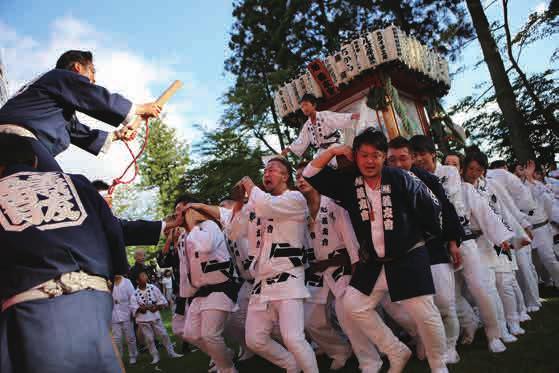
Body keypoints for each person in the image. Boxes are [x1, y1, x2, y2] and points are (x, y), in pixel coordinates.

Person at [303, 129, 448, 373]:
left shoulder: (401, 177)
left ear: (384, 157)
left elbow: (432, 208)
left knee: (424, 314)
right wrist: (335, 150)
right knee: (354, 305)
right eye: (364, 155)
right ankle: (396, 351)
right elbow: (310, 173)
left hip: (408, 255)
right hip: (374, 261)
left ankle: (438, 364)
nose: (370, 161)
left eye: (376, 155)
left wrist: (425, 237)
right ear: (355, 157)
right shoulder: (349, 183)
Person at [0, 133, 129, 372]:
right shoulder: (78, 183)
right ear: (35, 161)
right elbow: (113, 232)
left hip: (33, 314)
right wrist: (118, 272)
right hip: (95, 302)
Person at [0, 50, 161, 171]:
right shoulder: (59, 76)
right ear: (77, 67)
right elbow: (95, 96)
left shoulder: (53, 102)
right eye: (92, 71)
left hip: (18, 143)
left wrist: (118, 134)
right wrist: (140, 108)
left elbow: (75, 131)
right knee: (60, 193)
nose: (94, 79)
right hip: (16, 141)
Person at [295, 161, 381, 372]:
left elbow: (350, 239)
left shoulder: (333, 204)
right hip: (318, 271)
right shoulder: (300, 211)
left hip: (342, 266)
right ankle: (340, 350)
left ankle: (370, 360)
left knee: (347, 315)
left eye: (304, 176)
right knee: (311, 319)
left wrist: (356, 266)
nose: (300, 180)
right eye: (297, 178)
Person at [239, 157, 319, 373]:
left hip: (288, 277)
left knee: (293, 338)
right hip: (262, 281)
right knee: (254, 339)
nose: (267, 173)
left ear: (285, 176)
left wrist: (249, 186)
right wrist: (240, 203)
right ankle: (291, 365)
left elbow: (267, 206)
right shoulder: (260, 202)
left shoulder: (294, 198)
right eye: (265, 170)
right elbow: (234, 231)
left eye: (272, 170)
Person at [387, 137, 463, 364]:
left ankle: (450, 345)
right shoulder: (382, 184)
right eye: (392, 160)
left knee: (445, 303)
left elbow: (447, 211)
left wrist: (452, 242)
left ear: (411, 157)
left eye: (403, 158)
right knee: (415, 308)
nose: (399, 164)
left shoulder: (428, 179)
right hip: (406, 253)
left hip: (433, 248)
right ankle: (425, 340)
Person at [175, 203, 240, 373]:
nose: (179, 214)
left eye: (183, 210)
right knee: (190, 334)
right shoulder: (184, 236)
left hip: (221, 286)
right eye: (177, 211)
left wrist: (192, 226)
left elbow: (206, 246)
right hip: (200, 291)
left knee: (210, 335)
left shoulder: (209, 226)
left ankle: (227, 368)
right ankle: (224, 355)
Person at [281, 94, 359, 168]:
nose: (304, 108)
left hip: (334, 146)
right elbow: (301, 140)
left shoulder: (324, 115)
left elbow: (338, 118)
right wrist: (289, 149)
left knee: (346, 160)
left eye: (306, 105)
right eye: (302, 107)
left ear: (314, 105)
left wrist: (351, 116)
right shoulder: (307, 125)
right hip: (321, 151)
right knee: (313, 169)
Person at [133, 271, 182, 364]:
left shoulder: (152, 288)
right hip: (143, 319)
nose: (145, 277)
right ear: (137, 281)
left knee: (164, 334)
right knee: (149, 338)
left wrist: (157, 307)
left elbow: (162, 300)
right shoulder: (135, 293)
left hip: (155, 316)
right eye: (142, 276)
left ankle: (171, 352)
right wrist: (141, 308)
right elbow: (134, 307)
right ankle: (155, 356)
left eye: (145, 275)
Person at [111, 275, 138, 365]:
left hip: (126, 311)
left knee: (130, 337)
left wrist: (132, 311)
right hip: (113, 313)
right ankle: (119, 357)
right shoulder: (109, 282)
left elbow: (133, 297)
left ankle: (133, 355)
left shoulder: (127, 282)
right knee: (117, 338)